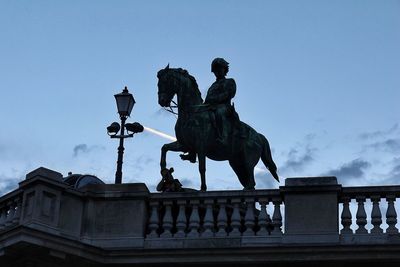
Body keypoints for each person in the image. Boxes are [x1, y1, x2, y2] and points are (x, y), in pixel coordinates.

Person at [204, 57, 238, 143]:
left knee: (219, 113)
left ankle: (223, 137)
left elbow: (229, 94)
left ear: (224, 69)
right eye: (215, 70)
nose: (217, 71)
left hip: (224, 107)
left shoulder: (230, 81)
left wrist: (215, 99)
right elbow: (208, 98)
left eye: (219, 68)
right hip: (210, 107)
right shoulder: (213, 85)